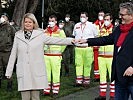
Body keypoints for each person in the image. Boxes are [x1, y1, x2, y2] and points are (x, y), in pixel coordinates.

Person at [5, 13, 74, 100]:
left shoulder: (40, 34)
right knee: (25, 97)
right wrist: (9, 71)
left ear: (34, 23)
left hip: (35, 71)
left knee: (35, 97)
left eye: (30, 22)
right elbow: (13, 54)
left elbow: (56, 40)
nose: (28, 24)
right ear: (23, 23)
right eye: (26, 22)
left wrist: (72, 41)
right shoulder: (18, 35)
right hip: (23, 71)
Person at [78, 2, 133, 100]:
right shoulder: (118, 30)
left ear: (131, 15)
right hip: (120, 77)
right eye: (120, 14)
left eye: (122, 15)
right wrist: (87, 40)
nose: (120, 17)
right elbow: (105, 39)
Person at [73, 12, 98, 87]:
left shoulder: (91, 25)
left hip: (87, 48)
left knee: (87, 65)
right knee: (78, 64)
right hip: (78, 48)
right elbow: (74, 35)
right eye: (81, 16)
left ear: (87, 18)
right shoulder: (77, 25)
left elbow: (96, 36)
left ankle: (86, 81)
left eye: (83, 17)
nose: (82, 18)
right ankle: (79, 81)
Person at [43, 15, 67, 96]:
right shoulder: (45, 31)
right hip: (46, 55)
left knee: (56, 73)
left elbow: (64, 42)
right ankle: (46, 90)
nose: (51, 22)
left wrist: (60, 51)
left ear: (56, 22)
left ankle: (55, 90)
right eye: (50, 21)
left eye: (52, 21)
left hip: (56, 56)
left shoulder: (60, 31)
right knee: (46, 74)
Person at [95, 13, 115, 100]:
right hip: (101, 56)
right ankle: (102, 95)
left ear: (111, 20)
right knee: (102, 77)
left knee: (112, 77)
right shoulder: (101, 29)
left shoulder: (114, 30)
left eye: (107, 19)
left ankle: (113, 96)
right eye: (105, 19)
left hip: (111, 57)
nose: (106, 21)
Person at [0, 13, 16, 91]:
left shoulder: (10, 28)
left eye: (4, 17)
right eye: (1, 16)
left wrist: (12, 48)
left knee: (8, 69)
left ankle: (9, 85)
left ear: (7, 19)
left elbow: (15, 38)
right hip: (0, 51)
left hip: (7, 52)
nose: (2, 18)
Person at [93, 11, 105, 81]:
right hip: (96, 46)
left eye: (102, 15)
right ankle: (97, 76)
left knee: (103, 61)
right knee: (96, 62)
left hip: (104, 46)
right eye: (99, 15)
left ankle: (103, 75)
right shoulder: (94, 24)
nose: (100, 16)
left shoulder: (106, 24)